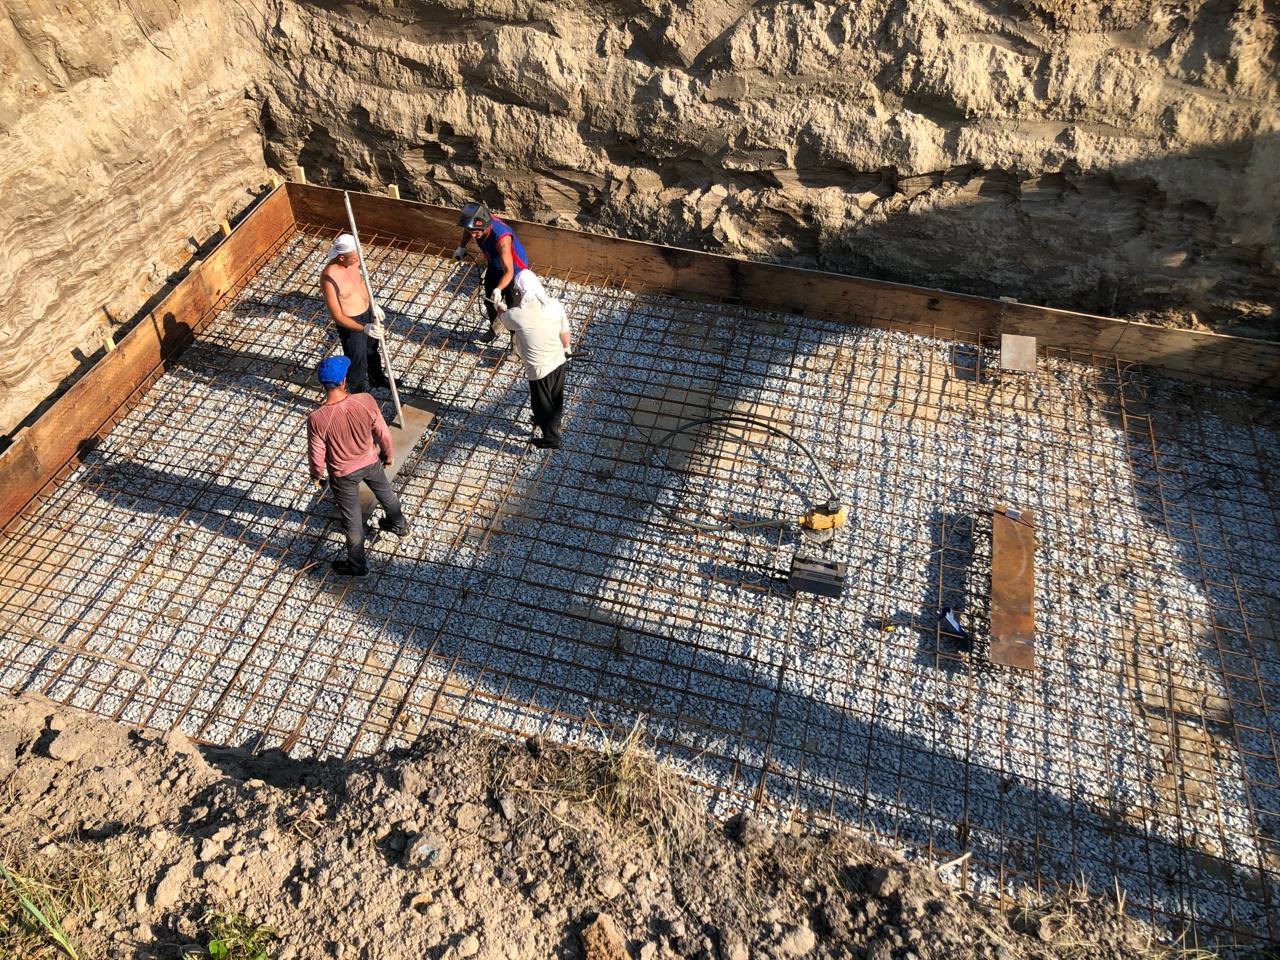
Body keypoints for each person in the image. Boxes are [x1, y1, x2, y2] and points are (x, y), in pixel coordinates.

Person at [306, 355, 407, 576]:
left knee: (352, 520)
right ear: (343, 381)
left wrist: (316, 475)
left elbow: (316, 453)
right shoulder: (365, 400)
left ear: (322, 384)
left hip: (342, 474)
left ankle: (357, 566)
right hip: (370, 461)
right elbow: (383, 433)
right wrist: (388, 455)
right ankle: (399, 525)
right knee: (386, 493)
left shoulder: (317, 418)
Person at [496, 269, 571, 449]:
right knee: (556, 396)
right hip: (558, 359)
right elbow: (565, 332)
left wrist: (499, 305)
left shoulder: (517, 314)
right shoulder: (554, 305)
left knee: (540, 403)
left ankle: (551, 438)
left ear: (519, 291)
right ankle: (552, 421)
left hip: (539, 368)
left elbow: (503, 318)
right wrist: (567, 348)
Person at [321, 233, 390, 394]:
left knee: (372, 351)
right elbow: (338, 316)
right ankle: (359, 393)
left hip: (367, 314)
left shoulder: (352, 263)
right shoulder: (329, 278)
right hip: (351, 324)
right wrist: (364, 327)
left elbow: (360, 284)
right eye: (354, 256)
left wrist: (373, 304)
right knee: (357, 362)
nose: (358, 258)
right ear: (341, 258)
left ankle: (377, 378)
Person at [453, 202, 530, 342]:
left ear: (485, 225)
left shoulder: (502, 239)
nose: (473, 235)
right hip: (494, 264)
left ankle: (515, 344)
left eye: (476, 231)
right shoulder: (479, 222)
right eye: (471, 231)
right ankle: (495, 327)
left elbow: (509, 271)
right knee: (489, 301)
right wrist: (461, 247)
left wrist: (499, 289)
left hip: (514, 271)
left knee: (514, 310)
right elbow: (468, 228)